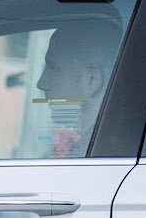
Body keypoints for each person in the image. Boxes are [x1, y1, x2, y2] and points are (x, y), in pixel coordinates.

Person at [33, 20, 121, 158]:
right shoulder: (118, 149)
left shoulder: (96, 160)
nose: (41, 83)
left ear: (92, 79)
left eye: (54, 68)